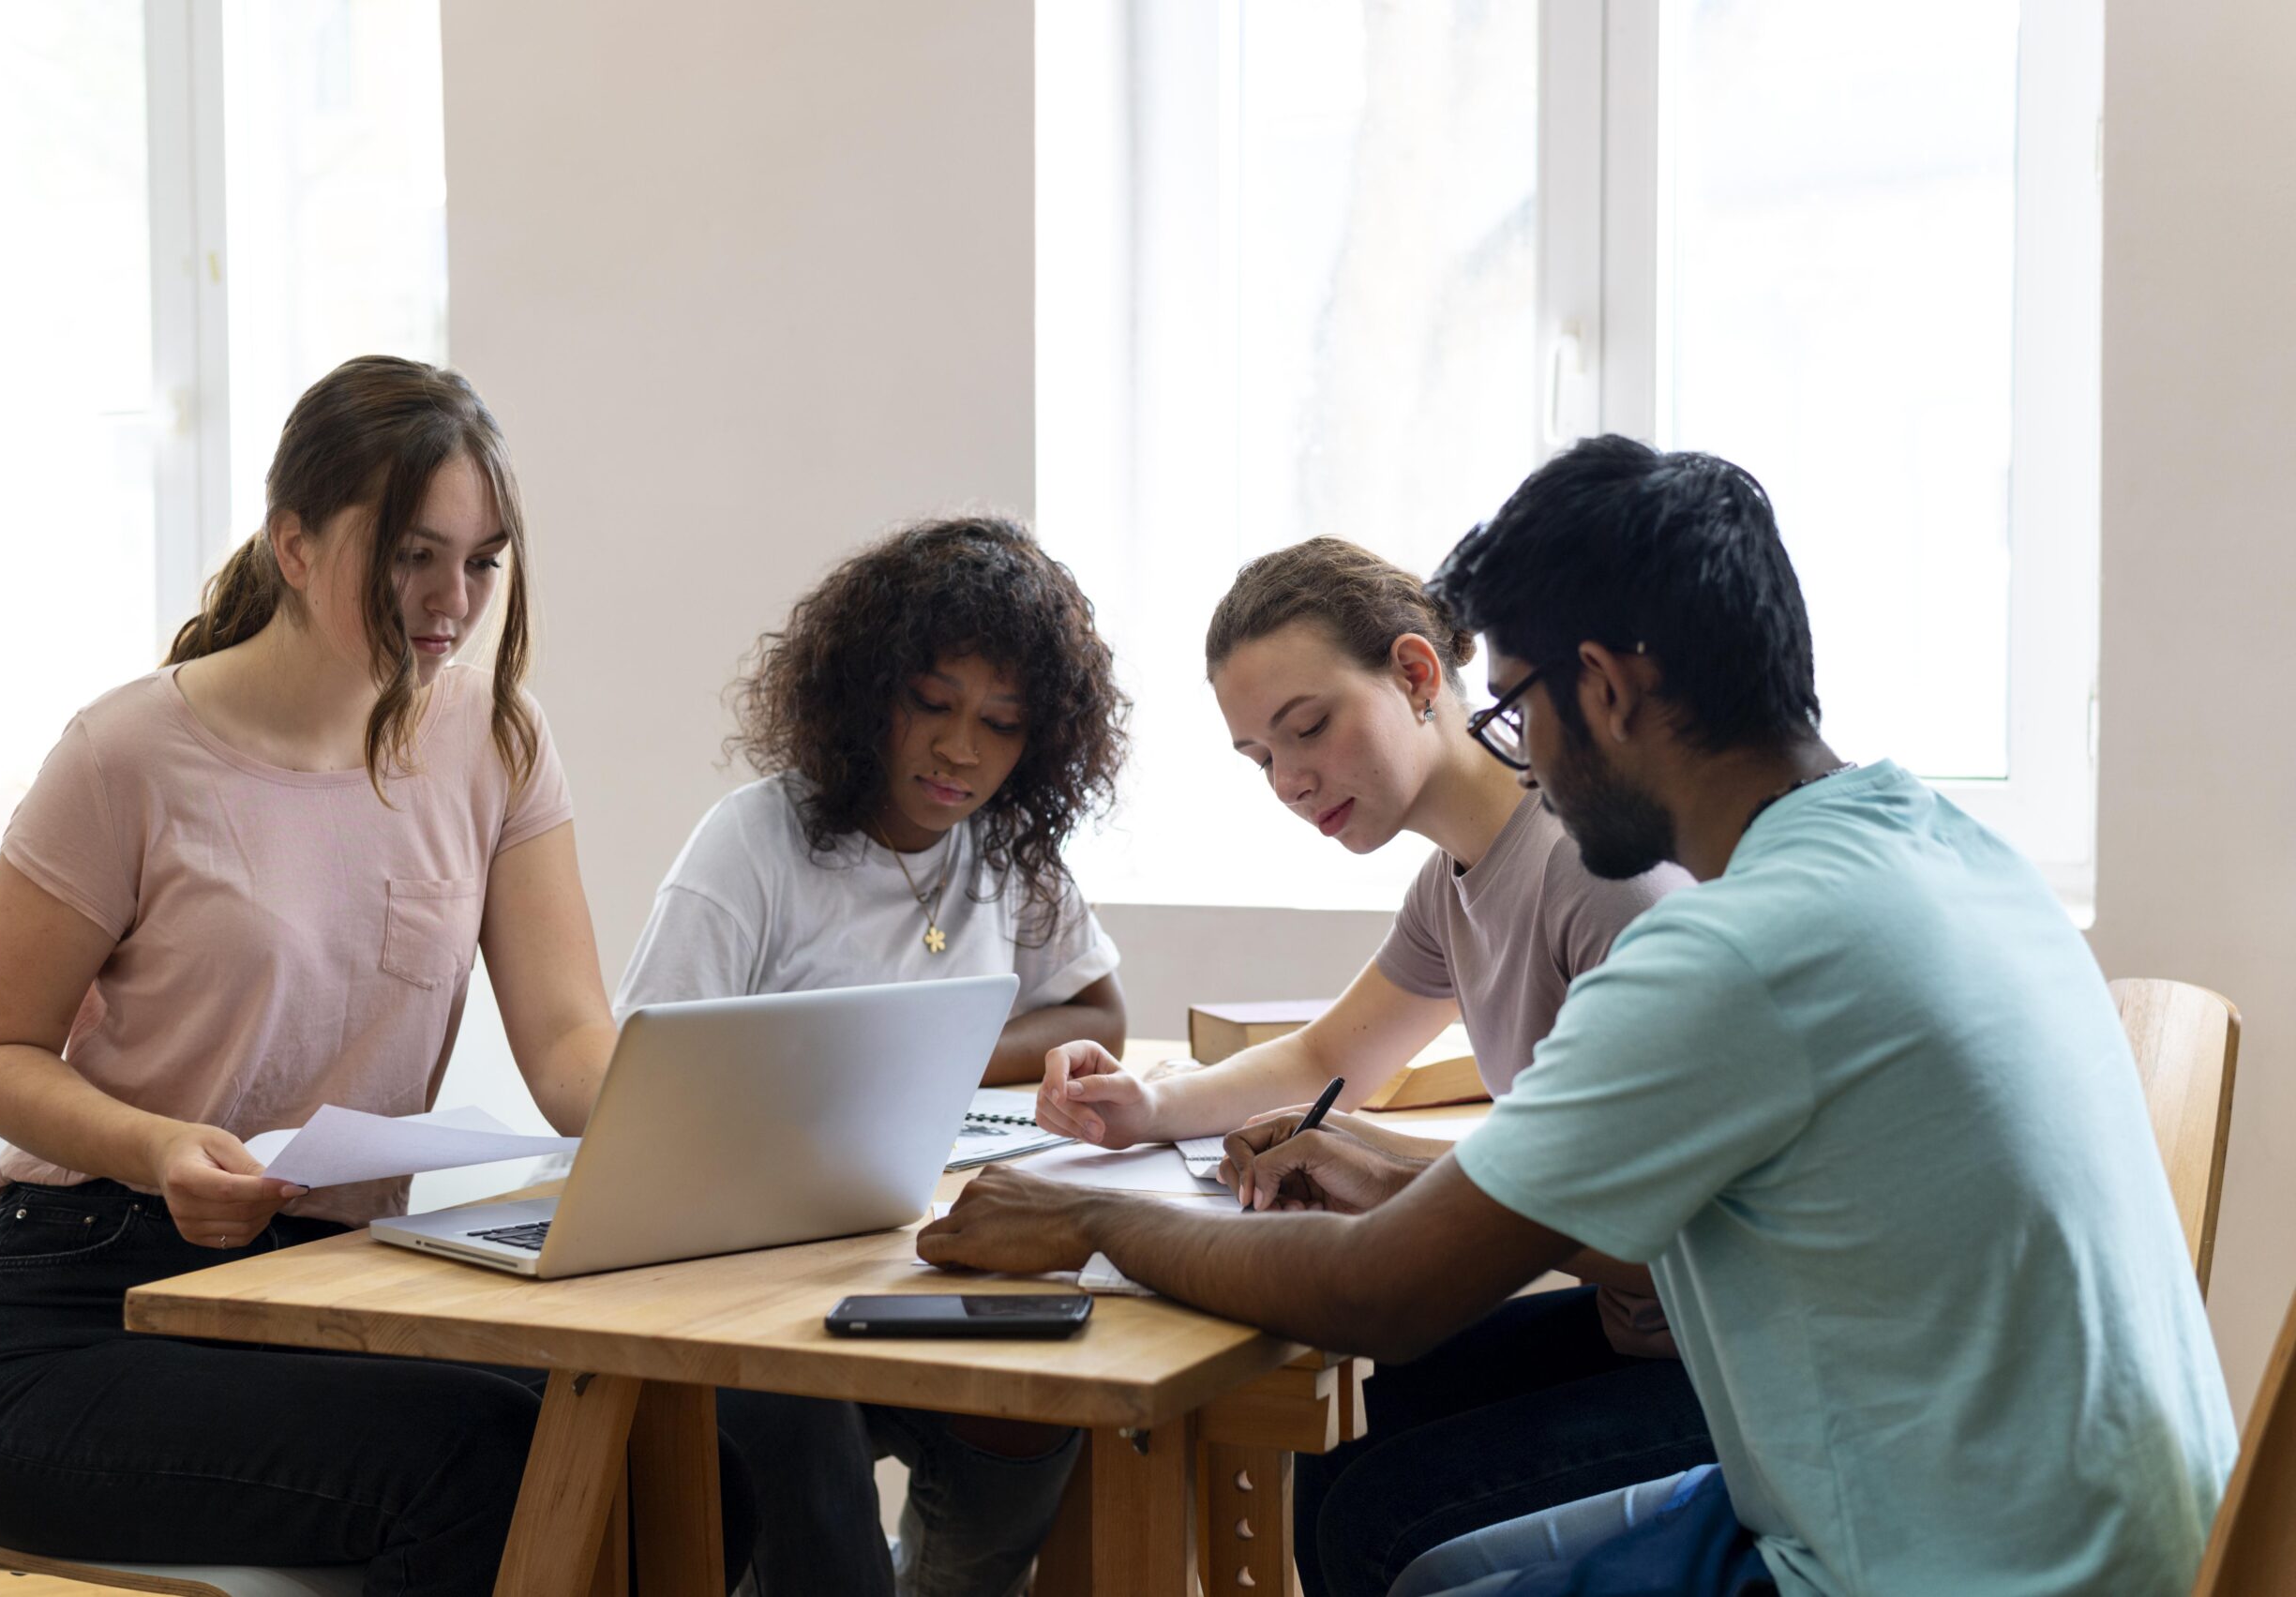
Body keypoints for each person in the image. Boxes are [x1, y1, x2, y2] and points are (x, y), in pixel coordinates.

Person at [923, 435, 2239, 1595]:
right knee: (1377, 1474)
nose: (1521, 749)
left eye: (1517, 703)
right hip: (2109, 1525)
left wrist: (1091, 1215)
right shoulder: (1947, 847)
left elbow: (1382, 1291)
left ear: (1603, 688)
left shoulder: (1733, 949)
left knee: (1392, 1523)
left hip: (1955, 1563)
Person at [0, 355, 753, 1593]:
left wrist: (743, 1127)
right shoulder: (127, 754)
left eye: (483, 560)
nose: (453, 599)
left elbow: (573, 1045)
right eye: (414, 554)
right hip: (80, 1313)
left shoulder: (495, 741)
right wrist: (160, 1145)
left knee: (701, 1446)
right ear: (297, 543)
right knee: (483, 1465)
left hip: (323, 1289)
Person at [1031, 535, 1710, 1595]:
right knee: (1341, 1441)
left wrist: (1395, 1177)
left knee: (1385, 1507)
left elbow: (1689, 1231)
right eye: (1260, 758)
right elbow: (1329, 1054)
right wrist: (1146, 1108)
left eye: (1307, 728)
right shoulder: (1456, 880)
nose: (1292, 781)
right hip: (1646, 1330)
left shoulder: (1593, 870)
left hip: (1730, 1359)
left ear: (1416, 673)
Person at [615, 516, 1130, 1597]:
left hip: (922, 1249)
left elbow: (1101, 1014)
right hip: (752, 1273)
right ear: (865, 692)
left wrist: (926, 1052)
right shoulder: (757, 838)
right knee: (784, 1412)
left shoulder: (1008, 848)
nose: (960, 751)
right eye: (932, 704)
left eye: (1000, 723)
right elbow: (643, 1073)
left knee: (1046, 1390)